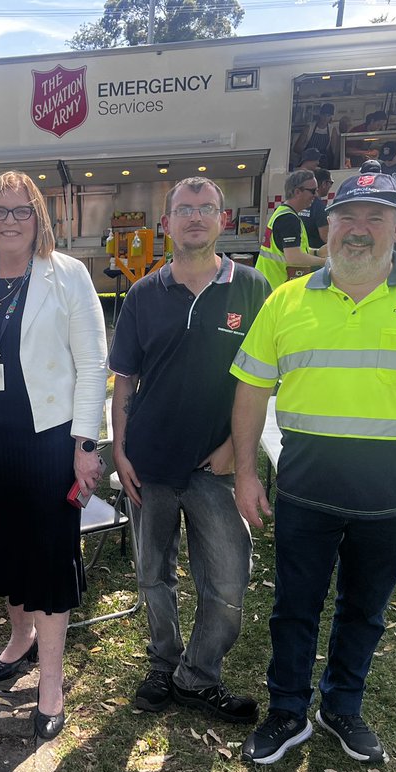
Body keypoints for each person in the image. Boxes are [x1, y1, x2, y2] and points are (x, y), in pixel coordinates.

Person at [230, 172, 396, 766]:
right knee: (293, 607)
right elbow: (251, 389)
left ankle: (342, 708)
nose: (359, 230)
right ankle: (288, 711)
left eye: (376, 218)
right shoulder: (286, 301)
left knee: (364, 610)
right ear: (326, 227)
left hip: (393, 494)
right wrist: (246, 473)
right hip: (305, 491)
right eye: (347, 217)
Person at [0, 171, 107, 740]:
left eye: (22, 211)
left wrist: (87, 446)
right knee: (5, 548)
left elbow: (92, 364)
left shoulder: (68, 277)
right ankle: (20, 639)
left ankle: (52, 684)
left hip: (47, 439)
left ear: (40, 218)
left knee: (46, 557)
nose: (10, 221)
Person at [108, 177, 270, 724]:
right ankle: (163, 663)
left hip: (216, 468)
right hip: (149, 464)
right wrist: (120, 450)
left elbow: (264, 383)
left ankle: (198, 676)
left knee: (226, 580)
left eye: (206, 209)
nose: (195, 218)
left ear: (224, 220)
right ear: (167, 223)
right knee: (154, 574)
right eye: (183, 210)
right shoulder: (142, 295)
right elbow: (125, 381)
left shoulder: (252, 289)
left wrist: (233, 450)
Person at [255, 170, 327, 291]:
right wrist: (325, 262)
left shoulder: (283, 213)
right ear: (297, 192)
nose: (316, 195)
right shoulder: (289, 219)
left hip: (269, 284)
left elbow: (292, 250)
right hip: (275, 286)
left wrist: (316, 252)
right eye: (313, 191)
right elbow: (294, 257)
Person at [292, 102, 339, 171]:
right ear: (320, 115)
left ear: (331, 117)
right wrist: (309, 155)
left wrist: (335, 165)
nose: (325, 118)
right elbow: (296, 148)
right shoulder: (309, 128)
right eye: (324, 115)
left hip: (323, 163)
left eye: (328, 116)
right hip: (308, 162)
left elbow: (334, 151)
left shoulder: (332, 130)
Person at [299, 168, 333, 249]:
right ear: (324, 183)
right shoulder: (320, 207)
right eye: (331, 183)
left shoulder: (301, 203)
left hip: (300, 249)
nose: (330, 187)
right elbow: (326, 238)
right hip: (314, 253)